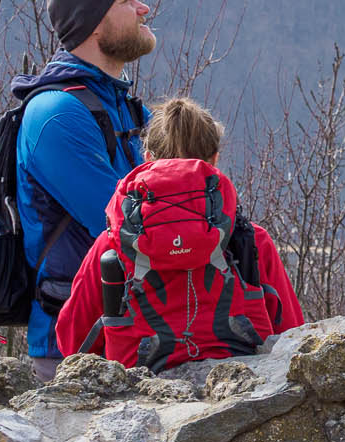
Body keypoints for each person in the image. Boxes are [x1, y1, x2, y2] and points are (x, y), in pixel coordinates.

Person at [55, 97, 304, 368]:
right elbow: (292, 333)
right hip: (242, 384)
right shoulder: (251, 241)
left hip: (138, 391)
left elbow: (72, 340)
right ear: (214, 160)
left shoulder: (114, 242)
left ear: (148, 158)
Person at [15, 0, 155, 380]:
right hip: (77, 349)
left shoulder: (121, 105)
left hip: (135, 331)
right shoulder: (56, 116)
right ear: (95, 23)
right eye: (129, 1)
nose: (143, 9)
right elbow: (123, 225)